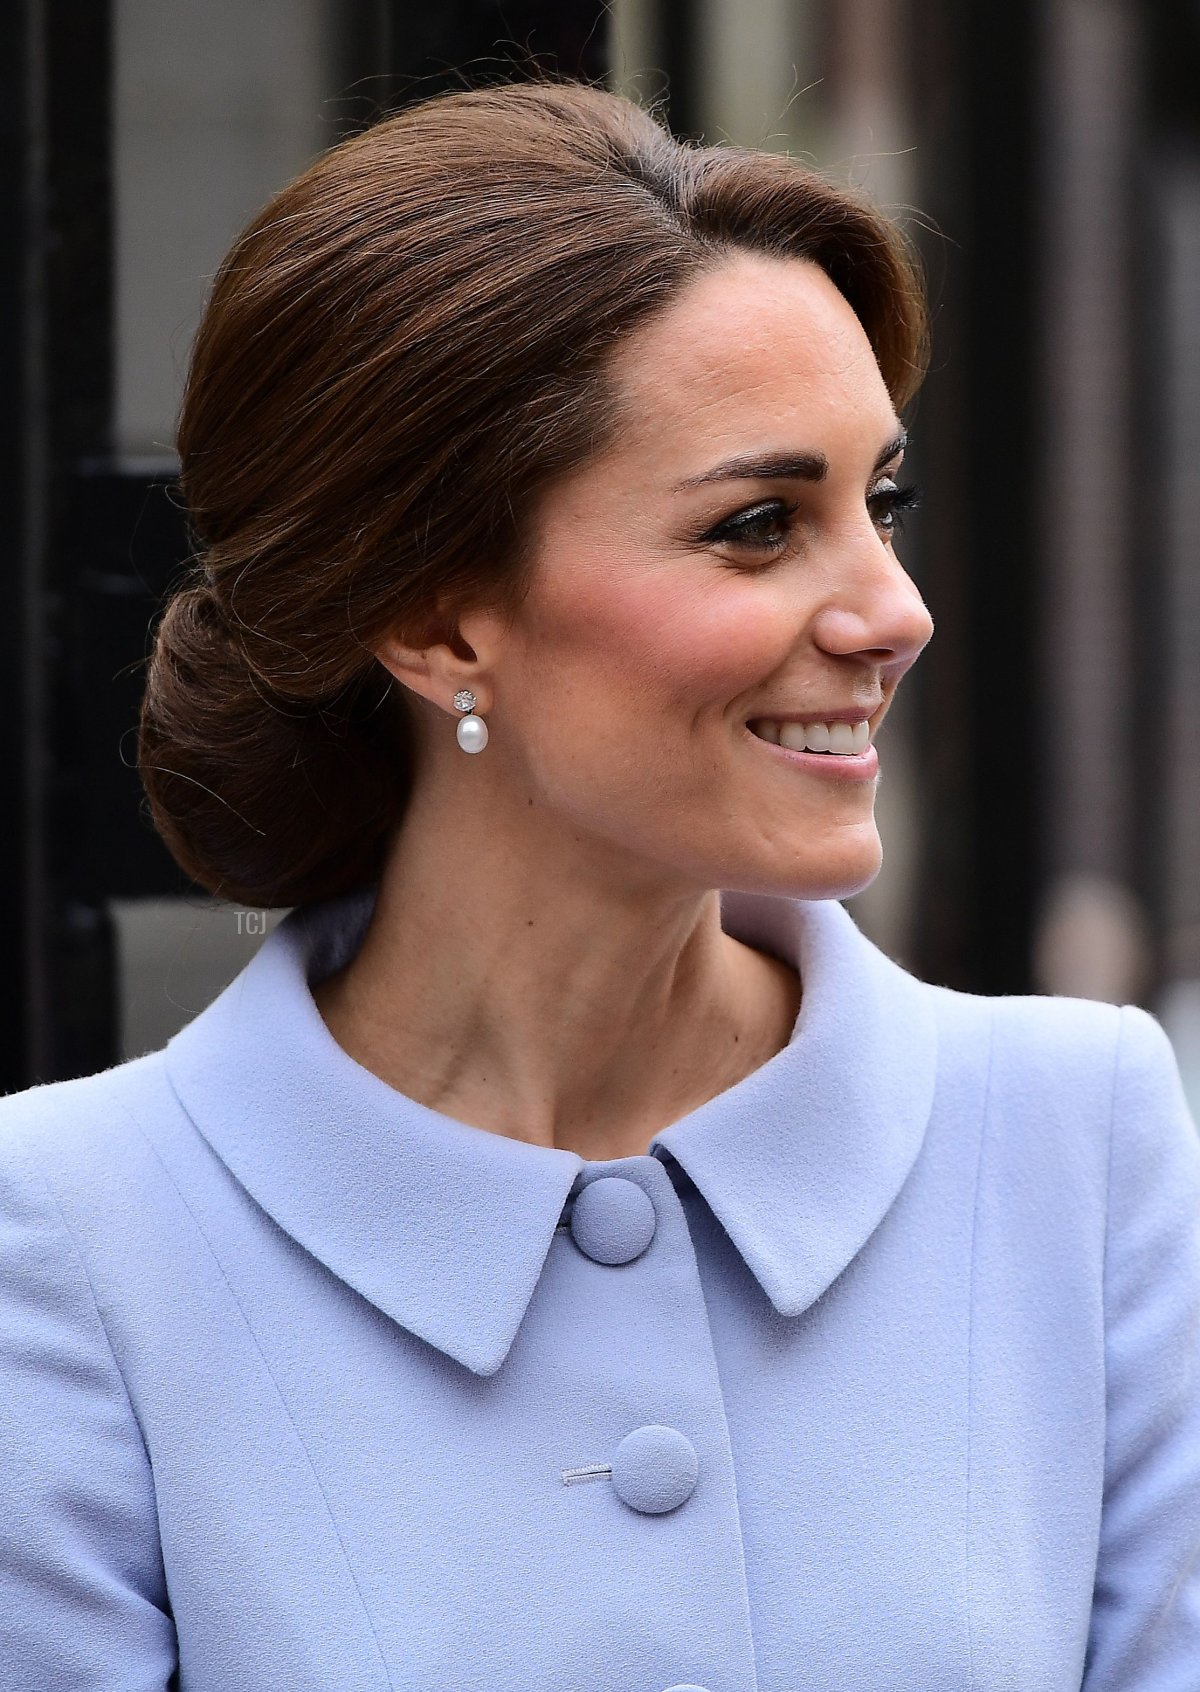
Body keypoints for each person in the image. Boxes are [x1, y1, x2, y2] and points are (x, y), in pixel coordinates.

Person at [2, 72, 1198, 1692]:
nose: (895, 609)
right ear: (434, 621)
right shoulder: (75, 1236)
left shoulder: (1083, 1142)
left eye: (883, 502)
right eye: (762, 525)